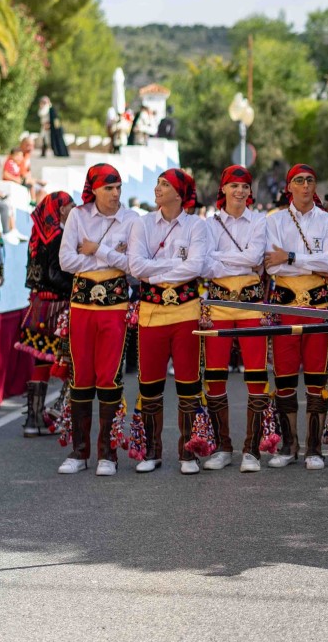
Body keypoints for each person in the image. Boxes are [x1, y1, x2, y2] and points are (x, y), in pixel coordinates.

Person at [57, 164, 140, 476]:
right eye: (109, 188)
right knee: (80, 377)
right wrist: (107, 259)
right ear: (93, 190)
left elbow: (132, 266)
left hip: (115, 307)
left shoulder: (131, 219)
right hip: (81, 306)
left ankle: (108, 453)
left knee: (110, 377)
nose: (115, 193)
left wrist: (97, 250)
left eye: (118, 187)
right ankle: (79, 452)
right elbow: (66, 260)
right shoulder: (78, 216)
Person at [127, 169, 210, 476]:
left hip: (186, 311)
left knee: (189, 383)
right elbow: (135, 266)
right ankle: (151, 451)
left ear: (179, 193)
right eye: (158, 183)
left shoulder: (196, 226)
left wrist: (156, 271)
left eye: (165, 184)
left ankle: (189, 452)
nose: (157, 188)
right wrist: (173, 268)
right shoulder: (142, 223)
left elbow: (196, 266)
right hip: (151, 311)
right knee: (149, 384)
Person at [264, 163, 328, 470]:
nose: (306, 185)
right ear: (290, 187)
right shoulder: (275, 220)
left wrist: (291, 257)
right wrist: (311, 263)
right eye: (299, 180)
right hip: (285, 306)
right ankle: (288, 445)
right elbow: (272, 266)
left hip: (318, 306)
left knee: (316, 378)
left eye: (310, 180)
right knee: (284, 378)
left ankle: (314, 447)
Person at [200, 165, 270, 473]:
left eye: (245, 186)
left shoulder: (259, 221)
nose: (240, 191)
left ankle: (251, 450)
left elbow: (255, 258)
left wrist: (219, 258)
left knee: (256, 375)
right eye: (234, 185)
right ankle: (222, 447)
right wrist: (238, 262)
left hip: (252, 304)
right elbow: (204, 265)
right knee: (215, 375)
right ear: (224, 189)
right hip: (218, 304)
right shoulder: (209, 224)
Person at [15, 192, 76, 437]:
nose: (74, 209)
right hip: (58, 308)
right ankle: (60, 410)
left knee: (41, 361)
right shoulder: (58, 236)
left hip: (39, 305)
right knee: (72, 359)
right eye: (71, 205)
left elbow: (34, 276)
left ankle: (34, 419)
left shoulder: (36, 236)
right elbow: (54, 274)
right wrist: (77, 284)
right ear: (61, 210)